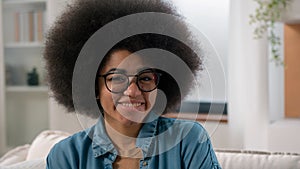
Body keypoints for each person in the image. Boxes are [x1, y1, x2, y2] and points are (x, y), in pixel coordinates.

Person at [44, 0, 222, 168]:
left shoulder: (189, 141)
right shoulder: (66, 156)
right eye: (117, 78)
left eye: (145, 78)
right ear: (93, 87)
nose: (132, 91)